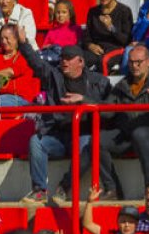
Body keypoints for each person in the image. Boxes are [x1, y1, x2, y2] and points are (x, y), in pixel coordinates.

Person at [22, 40, 111, 204]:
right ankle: (39, 190)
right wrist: (22, 43)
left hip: (83, 133)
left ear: (81, 62)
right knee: (36, 141)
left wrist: (83, 99)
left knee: (87, 145)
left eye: (69, 58)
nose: (64, 61)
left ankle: (64, 187)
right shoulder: (53, 76)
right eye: (62, 57)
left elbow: (109, 108)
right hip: (57, 134)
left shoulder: (100, 81)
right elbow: (36, 64)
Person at [102, 44, 149, 199]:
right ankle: (112, 189)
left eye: (139, 62)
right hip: (127, 132)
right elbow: (106, 111)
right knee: (97, 141)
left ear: (148, 62)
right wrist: (85, 101)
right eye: (131, 62)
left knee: (140, 134)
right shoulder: (122, 85)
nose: (134, 66)